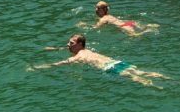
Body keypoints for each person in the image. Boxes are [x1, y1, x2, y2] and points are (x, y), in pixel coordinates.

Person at [34, 34, 166, 87]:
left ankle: (156, 86)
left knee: (135, 78)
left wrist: (39, 67)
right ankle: (164, 77)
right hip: (116, 62)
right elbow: (67, 48)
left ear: (79, 44)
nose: (68, 45)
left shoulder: (78, 56)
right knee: (141, 72)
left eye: (71, 43)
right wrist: (53, 48)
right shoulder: (87, 51)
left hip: (109, 68)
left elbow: (58, 64)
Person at [91, 1, 158, 35]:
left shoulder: (103, 19)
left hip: (123, 26)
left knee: (135, 35)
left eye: (98, 8)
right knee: (141, 27)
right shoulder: (109, 16)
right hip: (128, 23)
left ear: (103, 10)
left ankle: (148, 31)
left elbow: (96, 27)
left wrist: (88, 25)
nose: (96, 10)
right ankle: (148, 26)